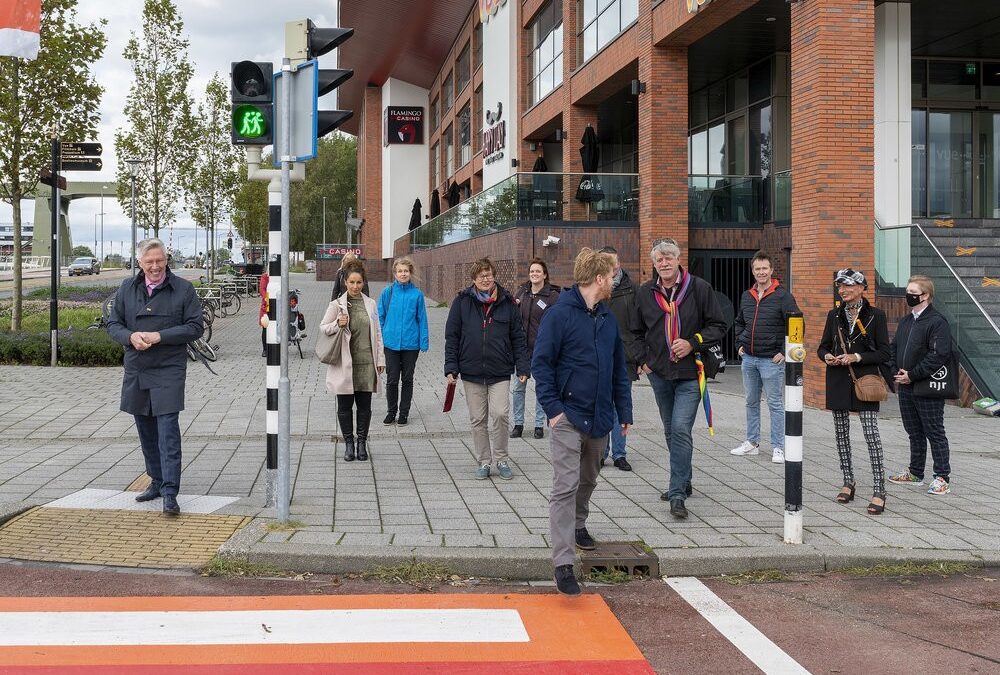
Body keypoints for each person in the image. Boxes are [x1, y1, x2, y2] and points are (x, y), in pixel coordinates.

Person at [533, 248, 633, 596]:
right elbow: (541, 364)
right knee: (566, 484)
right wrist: (554, 410)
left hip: (601, 417)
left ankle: (578, 525)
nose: (616, 280)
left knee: (588, 478)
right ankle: (562, 563)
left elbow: (619, 368)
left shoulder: (607, 318)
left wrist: (625, 411)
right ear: (599, 279)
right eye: (613, 274)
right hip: (567, 416)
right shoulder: (559, 315)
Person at [106, 238, 203, 515]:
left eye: (159, 261)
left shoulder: (183, 289)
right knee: (145, 428)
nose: (155, 266)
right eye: (149, 262)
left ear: (166, 260)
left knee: (167, 430)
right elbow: (113, 323)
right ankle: (157, 480)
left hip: (169, 368)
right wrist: (130, 336)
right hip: (137, 367)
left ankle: (171, 491)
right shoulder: (127, 287)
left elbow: (195, 326)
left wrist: (160, 336)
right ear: (140, 263)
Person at [632, 238, 727, 519]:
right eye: (659, 260)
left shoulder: (698, 288)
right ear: (654, 264)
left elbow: (718, 325)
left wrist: (692, 342)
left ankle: (676, 494)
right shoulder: (645, 292)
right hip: (660, 373)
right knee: (670, 431)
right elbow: (635, 331)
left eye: (668, 258)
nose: (664, 264)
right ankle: (684, 480)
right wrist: (643, 361)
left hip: (690, 373)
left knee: (681, 429)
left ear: (678, 259)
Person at [444, 257, 530, 480]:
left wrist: (523, 367)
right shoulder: (462, 302)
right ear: (474, 279)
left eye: (489, 275)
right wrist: (451, 367)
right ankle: (484, 460)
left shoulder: (508, 302)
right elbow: (452, 337)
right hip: (471, 371)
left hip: (500, 370)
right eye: (481, 276)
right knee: (478, 419)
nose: (486, 279)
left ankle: (501, 458)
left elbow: (518, 338)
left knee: (500, 414)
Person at [817, 268, 892, 515]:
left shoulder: (877, 316)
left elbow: (883, 353)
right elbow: (822, 347)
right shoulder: (833, 315)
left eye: (848, 286)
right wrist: (827, 356)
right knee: (841, 435)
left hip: (865, 380)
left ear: (861, 288)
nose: (843, 290)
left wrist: (856, 356)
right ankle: (848, 481)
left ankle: (880, 489)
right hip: (838, 379)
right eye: (840, 286)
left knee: (871, 435)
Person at [731, 251, 800, 464]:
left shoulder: (783, 296)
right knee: (751, 402)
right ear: (753, 271)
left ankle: (778, 447)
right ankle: (752, 443)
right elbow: (740, 321)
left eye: (764, 268)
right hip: (749, 359)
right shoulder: (746, 295)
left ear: (771, 270)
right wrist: (739, 344)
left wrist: (783, 351)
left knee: (775, 404)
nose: (761, 272)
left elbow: (797, 323)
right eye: (757, 269)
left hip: (771, 360)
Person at [888, 275, 953, 495]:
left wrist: (913, 375)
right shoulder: (907, 321)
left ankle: (942, 477)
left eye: (913, 293)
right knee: (914, 432)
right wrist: (894, 372)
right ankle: (915, 473)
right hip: (905, 386)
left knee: (934, 431)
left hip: (927, 387)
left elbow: (939, 355)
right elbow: (894, 347)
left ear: (925, 295)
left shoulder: (937, 322)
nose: (908, 296)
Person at [320, 260, 385, 462]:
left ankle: (361, 443)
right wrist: (337, 324)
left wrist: (380, 358)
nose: (355, 286)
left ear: (364, 282)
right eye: (351, 282)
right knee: (345, 406)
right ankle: (348, 443)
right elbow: (323, 327)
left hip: (366, 362)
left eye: (359, 282)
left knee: (364, 406)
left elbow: (378, 333)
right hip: (344, 363)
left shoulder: (371, 304)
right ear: (345, 282)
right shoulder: (336, 304)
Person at [599, 246, 640, 471]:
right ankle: (601, 452)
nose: (611, 267)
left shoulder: (632, 289)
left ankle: (620, 453)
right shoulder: (596, 287)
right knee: (603, 404)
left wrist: (637, 355)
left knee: (621, 405)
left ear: (619, 262)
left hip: (625, 356)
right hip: (601, 355)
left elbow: (638, 324)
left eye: (613, 262)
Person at [510, 257, 560, 440]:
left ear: (544, 275)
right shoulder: (521, 293)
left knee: (541, 387)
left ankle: (539, 425)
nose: (534, 274)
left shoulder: (553, 297)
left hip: (543, 351)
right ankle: (518, 424)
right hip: (522, 350)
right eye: (532, 271)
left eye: (538, 271)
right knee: (518, 388)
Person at [378, 256, 429, 426]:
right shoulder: (388, 292)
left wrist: (424, 340)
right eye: (400, 271)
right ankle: (391, 412)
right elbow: (380, 316)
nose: (403, 274)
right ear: (395, 273)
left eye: (406, 271)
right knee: (392, 379)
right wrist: (384, 335)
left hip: (410, 344)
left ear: (410, 272)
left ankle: (404, 413)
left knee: (407, 379)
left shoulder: (417, 295)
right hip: (391, 344)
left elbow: (422, 318)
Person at [259, 270, 269, 357]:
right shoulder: (265, 277)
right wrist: (267, 299)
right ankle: (265, 349)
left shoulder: (280, 277)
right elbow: (262, 290)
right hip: (267, 305)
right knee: (265, 327)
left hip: (278, 305)